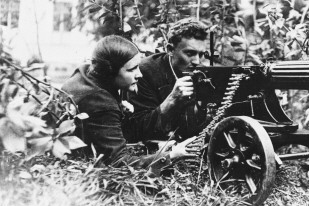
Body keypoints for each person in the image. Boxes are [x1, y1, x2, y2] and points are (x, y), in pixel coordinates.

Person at [62, 35, 194, 171]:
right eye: (132, 69)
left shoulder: (87, 73)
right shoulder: (100, 102)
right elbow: (119, 162)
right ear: (110, 72)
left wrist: (156, 148)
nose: (139, 74)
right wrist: (171, 155)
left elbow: (107, 133)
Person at [126, 18, 209, 142]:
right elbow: (138, 128)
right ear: (170, 50)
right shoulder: (144, 72)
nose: (197, 61)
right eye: (190, 53)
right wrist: (172, 99)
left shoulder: (203, 72)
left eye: (201, 54)